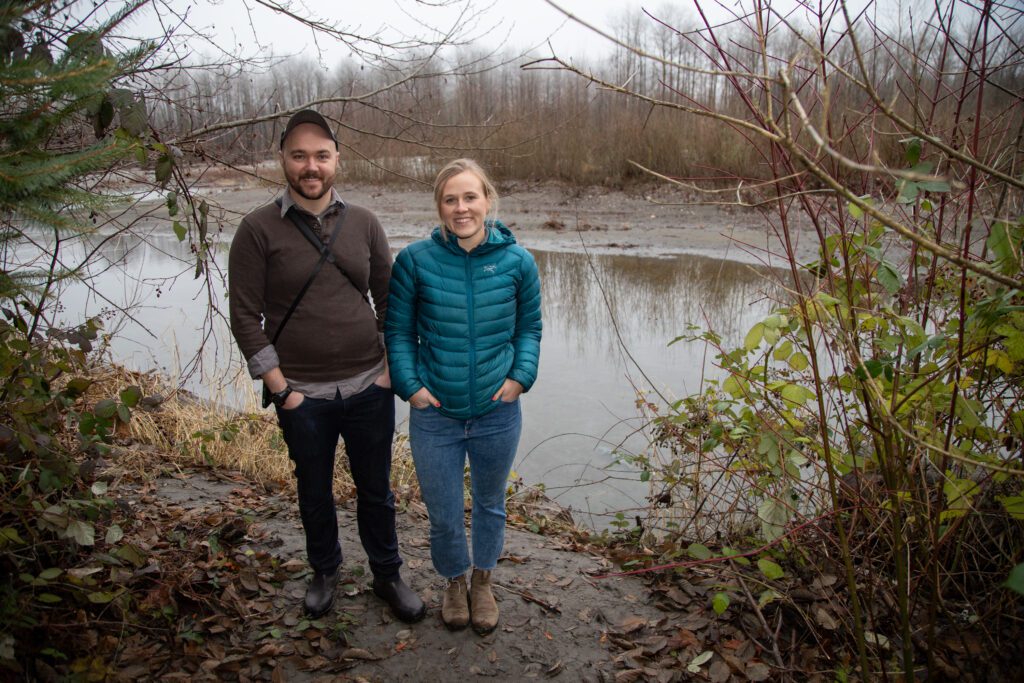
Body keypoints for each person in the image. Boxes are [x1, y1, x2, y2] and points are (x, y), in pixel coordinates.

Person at [228, 109, 424, 623]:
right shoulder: (255, 230)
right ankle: (324, 571)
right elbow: (246, 318)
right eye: (299, 156)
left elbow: (392, 302)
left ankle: (387, 574)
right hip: (301, 393)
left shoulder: (364, 223)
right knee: (312, 488)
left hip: (368, 385)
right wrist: (281, 388)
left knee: (376, 489)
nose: (310, 166)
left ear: (336, 160)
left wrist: (387, 372)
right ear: (283, 161)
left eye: (320, 155)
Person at [385, 158, 542, 634]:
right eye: (450, 199)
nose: (461, 208)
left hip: (498, 410)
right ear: (439, 208)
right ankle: (454, 580)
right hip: (436, 415)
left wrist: (520, 377)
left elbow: (529, 328)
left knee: (491, 503)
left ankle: (483, 581)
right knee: (445, 513)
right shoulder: (415, 261)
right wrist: (411, 387)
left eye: (470, 197)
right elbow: (397, 331)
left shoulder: (518, 261)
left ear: (487, 200)